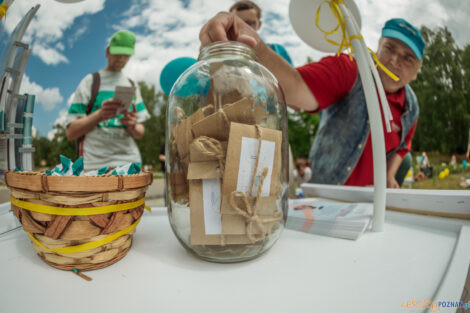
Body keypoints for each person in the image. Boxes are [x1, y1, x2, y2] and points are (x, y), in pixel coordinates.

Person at [199, 14, 425, 188]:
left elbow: (403, 146)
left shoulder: (411, 106)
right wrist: (251, 42)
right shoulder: (349, 69)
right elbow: (295, 87)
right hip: (329, 193)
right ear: (377, 47)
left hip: (371, 198)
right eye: (389, 48)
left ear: (417, 71)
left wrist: (388, 174)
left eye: (408, 58)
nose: (394, 60)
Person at [66, 30, 150, 170]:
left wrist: (132, 125)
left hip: (129, 163)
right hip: (94, 166)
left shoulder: (132, 85)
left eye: (126, 55)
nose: (121, 59)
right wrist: (99, 115)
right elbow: (71, 132)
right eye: (117, 53)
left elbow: (140, 132)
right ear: (107, 51)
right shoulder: (90, 82)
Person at [229, 1, 294, 66]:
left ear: (259, 25)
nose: (244, 27)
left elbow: (293, 76)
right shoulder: (224, 52)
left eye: (250, 23)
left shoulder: (277, 50)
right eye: (237, 23)